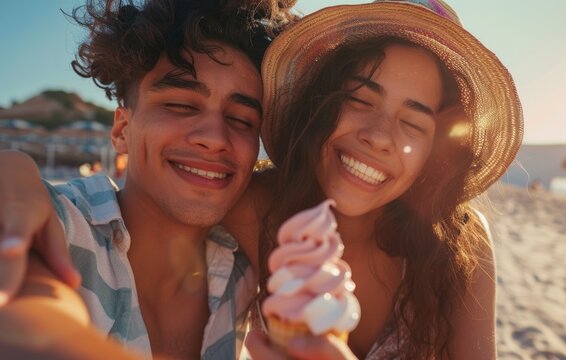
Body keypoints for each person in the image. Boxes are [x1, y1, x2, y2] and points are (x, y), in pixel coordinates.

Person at [1, 0, 522, 358]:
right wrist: (15, 170)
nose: (212, 137)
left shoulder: (453, 243)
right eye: (357, 99)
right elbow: (32, 309)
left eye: (243, 120)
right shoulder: (253, 211)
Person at [226, 0, 522, 358]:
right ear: (318, 102)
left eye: (413, 123)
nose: (379, 136)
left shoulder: (461, 245)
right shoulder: (251, 210)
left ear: (434, 153)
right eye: (359, 100)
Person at [0, 0, 293, 358]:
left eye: (243, 120)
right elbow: (29, 318)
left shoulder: (246, 267)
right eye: (181, 106)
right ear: (122, 129)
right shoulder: (65, 228)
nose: (215, 138)